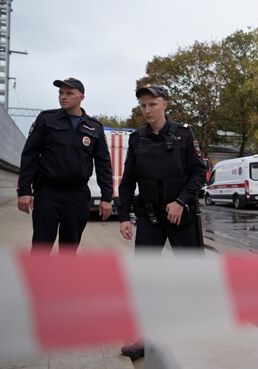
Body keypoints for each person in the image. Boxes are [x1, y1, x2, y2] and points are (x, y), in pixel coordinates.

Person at [117, 84, 206, 359]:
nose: (147, 110)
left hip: (182, 215)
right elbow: (128, 181)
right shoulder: (137, 139)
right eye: (143, 105)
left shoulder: (183, 134)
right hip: (150, 217)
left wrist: (180, 201)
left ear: (164, 104)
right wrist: (124, 217)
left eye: (152, 104)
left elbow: (198, 174)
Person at [17, 77, 113, 253]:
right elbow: (29, 155)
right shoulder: (47, 119)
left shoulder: (94, 127)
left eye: (69, 93)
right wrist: (24, 190)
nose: (63, 97)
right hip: (47, 192)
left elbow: (103, 164)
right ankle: (39, 280)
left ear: (81, 97)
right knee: (41, 246)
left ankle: (64, 280)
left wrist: (107, 197)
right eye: (60, 93)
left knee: (69, 248)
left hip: (77, 195)